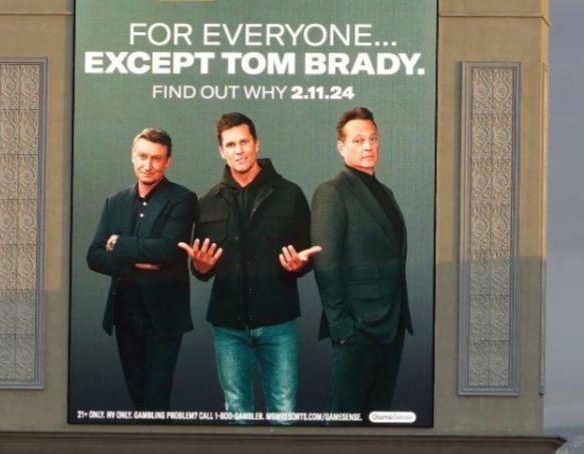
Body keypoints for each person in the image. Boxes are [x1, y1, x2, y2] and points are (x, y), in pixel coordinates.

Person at [178, 112, 318, 421]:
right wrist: (199, 267)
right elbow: (202, 270)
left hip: (278, 320)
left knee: (283, 413)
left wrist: (299, 265)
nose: (238, 150)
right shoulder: (208, 202)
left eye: (244, 142)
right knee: (237, 416)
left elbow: (307, 255)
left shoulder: (290, 194)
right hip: (228, 325)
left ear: (257, 144)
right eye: (231, 144)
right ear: (221, 151)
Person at [84, 128, 196, 412]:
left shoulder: (182, 198)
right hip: (124, 314)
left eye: (156, 158)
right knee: (136, 398)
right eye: (143, 156)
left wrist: (119, 244)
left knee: (156, 401)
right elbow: (94, 255)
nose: (148, 165)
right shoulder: (116, 201)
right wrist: (139, 263)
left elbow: (168, 250)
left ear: (168, 161)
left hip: (163, 316)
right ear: (133, 156)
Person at [311, 107, 411, 417]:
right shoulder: (332, 191)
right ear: (341, 147)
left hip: (392, 325)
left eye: (373, 139)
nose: (368, 146)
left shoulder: (386, 192)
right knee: (344, 423)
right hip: (357, 328)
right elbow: (326, 265)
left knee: (377, 423)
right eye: (358, 140)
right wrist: (343, 330)